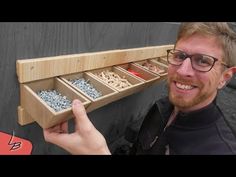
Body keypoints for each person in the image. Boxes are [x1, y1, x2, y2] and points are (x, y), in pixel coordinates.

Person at [43, 22, 236, 155]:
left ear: (225, 77)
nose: (183, 71)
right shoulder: (162, 107)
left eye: (203, 61)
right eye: (179, 56)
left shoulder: (220, 149)